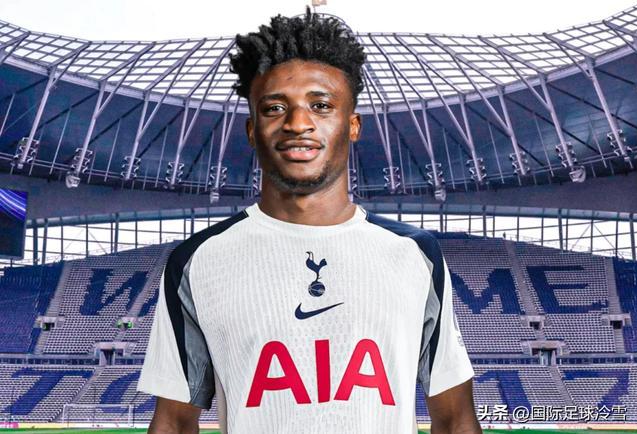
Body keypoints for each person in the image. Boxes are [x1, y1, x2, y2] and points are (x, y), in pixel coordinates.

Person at [137, 8, 481, 434]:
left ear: (352, 126)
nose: (298, 123)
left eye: (320, 106)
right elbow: (173, 423)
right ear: (251, 130)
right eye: (274, 108)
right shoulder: (198, 260)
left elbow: (455, 418)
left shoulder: (414, 253)